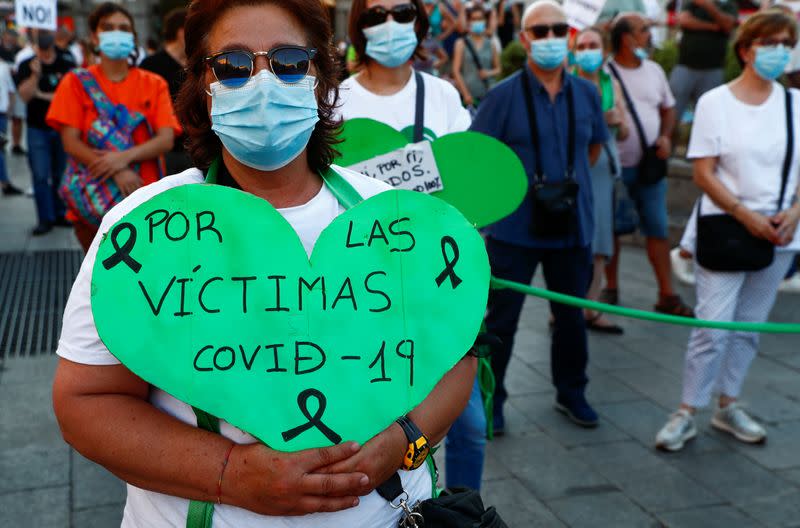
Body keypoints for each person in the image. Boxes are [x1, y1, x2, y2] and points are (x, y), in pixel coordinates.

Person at [53, 1, 476, 525]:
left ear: (322, 78)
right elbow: (87, 401)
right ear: (201, 89)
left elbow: (458, 356)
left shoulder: (393, 217)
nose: (263, 81)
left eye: (289, 60)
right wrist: (232, 473)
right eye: (232, 65)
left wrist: (404, 443)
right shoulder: (147, 228)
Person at [337, 0, 485, 492]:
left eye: (401, 12)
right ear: (360, 27)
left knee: (468, 426)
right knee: (378, 408)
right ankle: (401, 490)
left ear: (419, 21)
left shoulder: (440, 94)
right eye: (376, 15)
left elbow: (465, 180)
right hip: (366, 287)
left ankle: (458, 512)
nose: (391, 25)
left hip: (437, 285)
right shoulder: (336, 100)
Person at [655, 11, 800, 452]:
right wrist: (746, 214)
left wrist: (794, 212)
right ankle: (686, 410)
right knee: (712, 327)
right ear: (746, 49)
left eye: (785, 42)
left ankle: (727, 403)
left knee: (749, 327)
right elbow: (703, 172)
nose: (778, 50)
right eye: (769, 41)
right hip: (726, 225)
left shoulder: (795, 103)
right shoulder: (717, 101)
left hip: (780, 233)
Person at [473, 0, 609, 430]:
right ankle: (492, 400)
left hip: (572, 225)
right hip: (515, 228)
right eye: (541, 31)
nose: (550, 38)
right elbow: (481, 158)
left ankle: (573, 393)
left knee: (572, 318)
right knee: (501, 322)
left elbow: (592, 149)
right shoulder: (502, 96)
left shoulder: (587, 92)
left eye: (558, 30)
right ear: (525, 38)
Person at [46, 2, 179, 252]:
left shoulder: (153, 83)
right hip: (92, 202)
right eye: (108, 27)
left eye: (123, 28)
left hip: (144, 200)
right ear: (95, 36)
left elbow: (166, 139)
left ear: (133, 37)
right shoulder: (75, 82)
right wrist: (118, 171)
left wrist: (121, 159)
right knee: (98, 278)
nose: (116, 33)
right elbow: (70, 142)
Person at [604, 14, 693, 316]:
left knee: (657, 226)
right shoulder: (605, 73)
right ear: (626, 38)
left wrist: (667, 137)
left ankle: (666, 294)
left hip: (650, 167)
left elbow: (668, 110)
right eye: (644, 30)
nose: (650, 35)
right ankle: (610, 287)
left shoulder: (654, 70)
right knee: (613, 229)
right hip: (616, 169)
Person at [573, 27, 629, 334]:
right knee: (572, 241)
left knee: (600, 240)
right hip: (574, 169)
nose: (588, 50)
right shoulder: (567, 80)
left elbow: (625, 130)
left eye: (593, 44)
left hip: (603, 167)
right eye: (582, 45)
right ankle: (566, 307)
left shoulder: (610, 83)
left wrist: (617, 121)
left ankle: (591, 306)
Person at [13, 29, 73, 235]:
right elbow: (26, 96)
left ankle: (60, 213)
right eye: (42, 49)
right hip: (37, 129)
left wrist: (42, 94)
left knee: (61, 174)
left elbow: (70, 95)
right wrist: (34, 76)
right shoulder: (26, 64)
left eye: (48, 50)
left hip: (62, 127)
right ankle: (44, 218)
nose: (45, 54)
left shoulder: (66, 60)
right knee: (40, 176)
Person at [669, 0, 737, 131]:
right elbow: (684, 21)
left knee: (709, 120)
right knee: (672, 115)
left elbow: (728, 25)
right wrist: (712, 27)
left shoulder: (728, 5)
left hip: (713, 70)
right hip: (685, 66)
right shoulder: (692, 3)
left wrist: (708, 6)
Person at [141, 8, 193, 175]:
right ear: (181, 32)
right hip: (165, 150)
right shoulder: (151, 65)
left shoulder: (194, 64)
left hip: (195, 148)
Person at [452, 5, 501, 108]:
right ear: (469, 22)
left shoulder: (491, 44)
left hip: (488, 94)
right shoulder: (461, 43)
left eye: (480, 19)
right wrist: (465, 94)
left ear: (485, 21)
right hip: (469, 98)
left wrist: (488, 73)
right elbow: (456, 71)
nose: (477, 21)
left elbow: (498, 69)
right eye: (474, 19)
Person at [0, 56, 20, 195]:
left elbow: (11, 90)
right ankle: (5, 183)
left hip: (2, 114)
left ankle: (5, 182)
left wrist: (10, 110)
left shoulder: (4, 67)